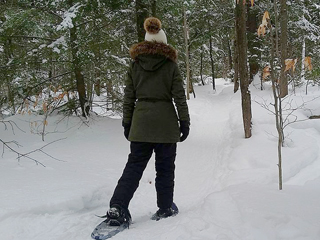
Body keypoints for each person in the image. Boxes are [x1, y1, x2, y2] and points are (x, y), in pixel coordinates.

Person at [105, 17, 190, 226]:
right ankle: (165, 207)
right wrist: (184, 121)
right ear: (163, 42)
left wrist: (127, 122)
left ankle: (118, 206)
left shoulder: (135, 64)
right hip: (166, 125)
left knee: (133, 167)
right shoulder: (170, 65)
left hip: (141, 123)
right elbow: (179, 96)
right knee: (165, 168)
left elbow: (129, 96)